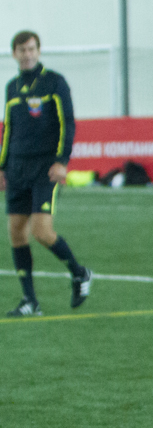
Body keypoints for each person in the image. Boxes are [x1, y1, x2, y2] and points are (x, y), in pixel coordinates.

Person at [2, 30, 91, 316]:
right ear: (14, 54)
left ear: (38, 51)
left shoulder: (54, 82)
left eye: (31, 49)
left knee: (41, 232)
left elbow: (68, 122)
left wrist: (62, 160)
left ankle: (79, 273)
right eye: (22, 50)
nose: (27, 54)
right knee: (16, 233)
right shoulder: (12, 87)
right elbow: (8, 130)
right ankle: (30, 301)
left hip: (45, 169)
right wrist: (2, 167)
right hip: (16, 169)